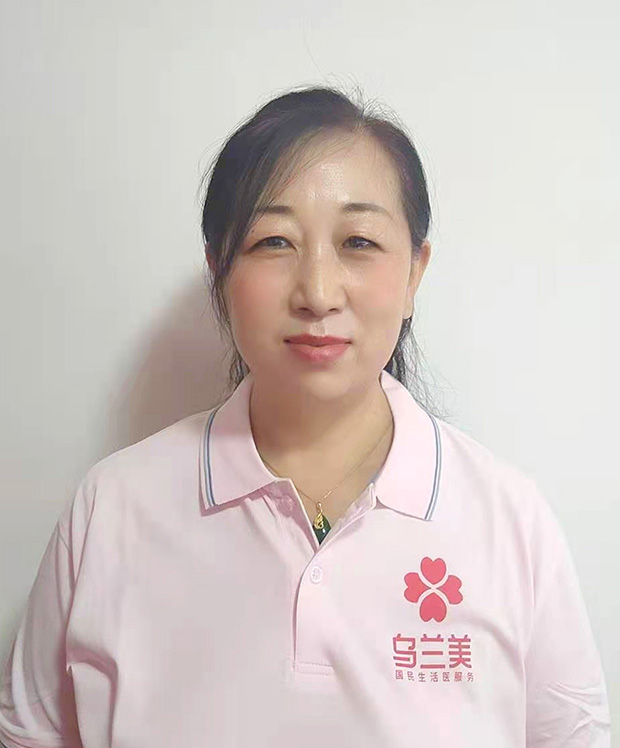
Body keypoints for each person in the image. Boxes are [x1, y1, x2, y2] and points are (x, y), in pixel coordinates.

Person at [0, 84, 611, 748]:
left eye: (359, 241)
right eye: (274, 242)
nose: (317, 293)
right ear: (218, 270)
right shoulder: (111, 510)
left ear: (415, 273)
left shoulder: (508, 521)